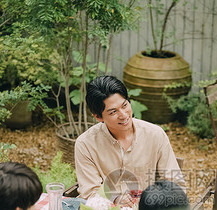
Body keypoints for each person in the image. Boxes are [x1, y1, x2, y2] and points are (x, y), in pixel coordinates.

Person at [75, 75, 184, 203]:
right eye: (113, 112)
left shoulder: (155, 135)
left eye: (125, 105)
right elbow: (90, 192)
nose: (124, 115)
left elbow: (175, 184)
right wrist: (116, 200)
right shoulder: (85, 144)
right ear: (99, 117)